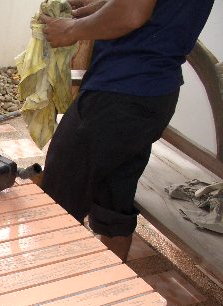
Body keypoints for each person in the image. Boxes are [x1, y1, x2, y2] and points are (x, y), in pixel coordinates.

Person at [38, 0, 214, 261]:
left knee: (57, 202)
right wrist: (82, 13)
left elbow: (132, 13)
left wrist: (71, 29)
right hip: (154, 94)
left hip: (118, 92)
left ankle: (51, 279)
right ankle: (112, 283)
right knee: (113, 201)